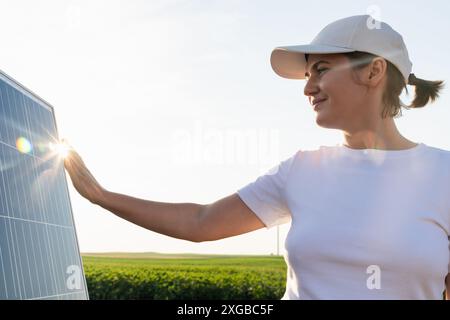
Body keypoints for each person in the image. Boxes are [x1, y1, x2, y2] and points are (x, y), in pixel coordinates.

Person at [63, 15, 450, 300]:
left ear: (374, 71)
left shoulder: (443, 174)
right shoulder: (302, 169)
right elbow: (200, 222)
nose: (308, 88)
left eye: (321, 70)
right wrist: (101, 195)